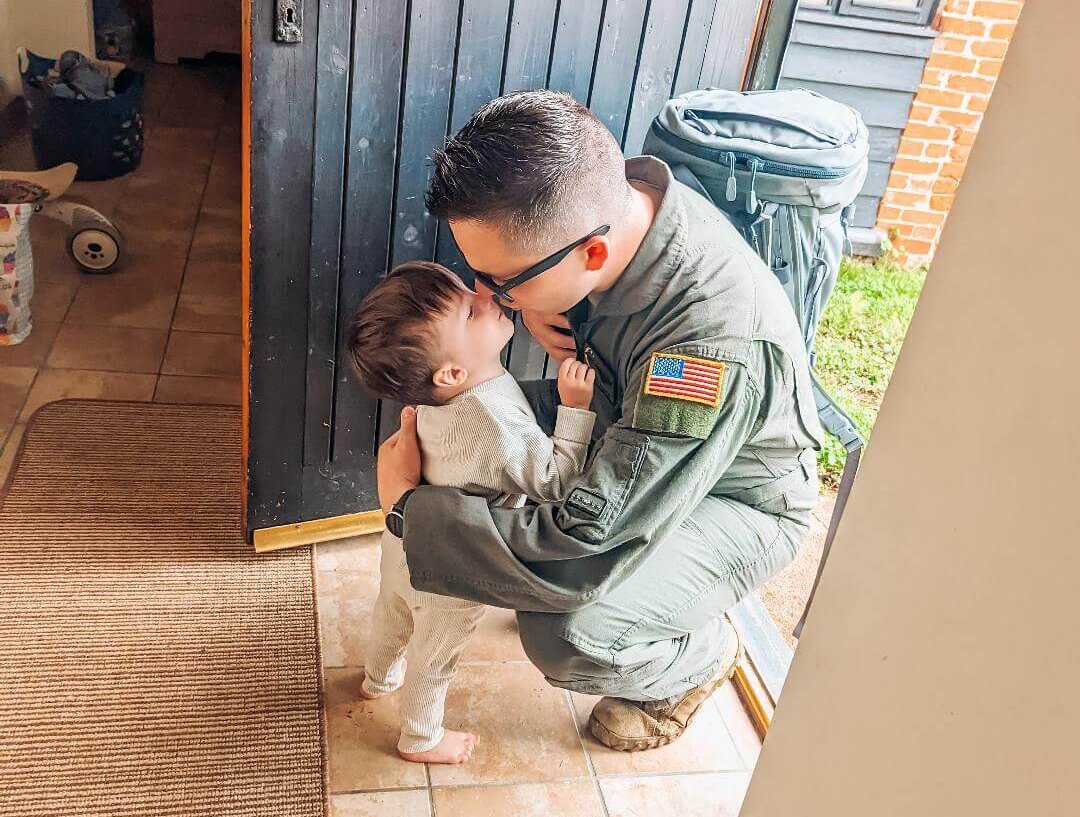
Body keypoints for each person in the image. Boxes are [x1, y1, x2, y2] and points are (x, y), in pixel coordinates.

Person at [377, 90, 823, 752]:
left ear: (587, 256)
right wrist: (532, 309)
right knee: (482, 427)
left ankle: (696, 657)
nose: (489, 299)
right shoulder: (617, 206)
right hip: (628, 419)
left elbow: (585, 539)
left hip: (737, 495)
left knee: (563, 631)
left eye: (501, 284)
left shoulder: (702, 349)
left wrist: (410, 511)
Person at [346, 261, 598, 764]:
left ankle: (379, 678)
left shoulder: (437, 395)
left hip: (407, 539)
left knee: (392, 611)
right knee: (435, 654)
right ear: (452, 372)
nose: (485, 296)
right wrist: (575, 409)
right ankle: (420, 737)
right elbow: (553, 481)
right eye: (468, 309)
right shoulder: (491, 421)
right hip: (452, 566)